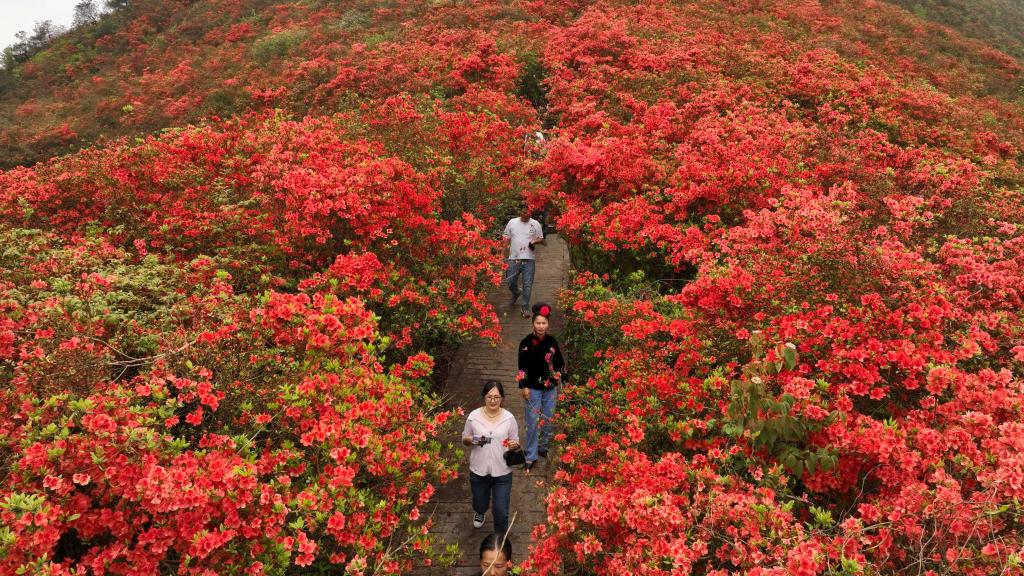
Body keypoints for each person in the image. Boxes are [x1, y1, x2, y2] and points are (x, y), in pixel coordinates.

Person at [462, 380, 520, 535]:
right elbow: (464, 438)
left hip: (502, 472)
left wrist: (514, 444)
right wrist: (477, 440)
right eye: (489, 397)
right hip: (478, 471)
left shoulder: (509, 418)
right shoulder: (473, 416)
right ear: (484, 397)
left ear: (502, 398)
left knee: (501, 511)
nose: (493, 400)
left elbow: (515, 440)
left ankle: (499, 541)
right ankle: (480, 512)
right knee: (480, 502)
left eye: (497, 397)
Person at [517, 302, 565, 472]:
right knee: (532, 421)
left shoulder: (552, 341)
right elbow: (522, 366)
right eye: (538, 323)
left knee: (548, 418)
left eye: (544, 323)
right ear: (533, 324)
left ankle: (543, 446)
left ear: (548, 324)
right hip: (533, 387)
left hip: (551, 386)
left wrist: (562, 378)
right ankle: (530, 454)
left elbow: (559, 362)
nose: (541, 326)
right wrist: (523, 386)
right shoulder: (526, 343)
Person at [502, 205, 544, 318]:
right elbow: (506, 237)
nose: (527, 215)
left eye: (529, 213)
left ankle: (525, 307)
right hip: (514, 258)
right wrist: (502, 252)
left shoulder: (535, 224)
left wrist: (535, 241)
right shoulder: (512, 222)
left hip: (529, 258)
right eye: (524, 212)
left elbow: (541, 238)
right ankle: (516, 292)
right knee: (510, 281)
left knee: (528, 285)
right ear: (520, 212)